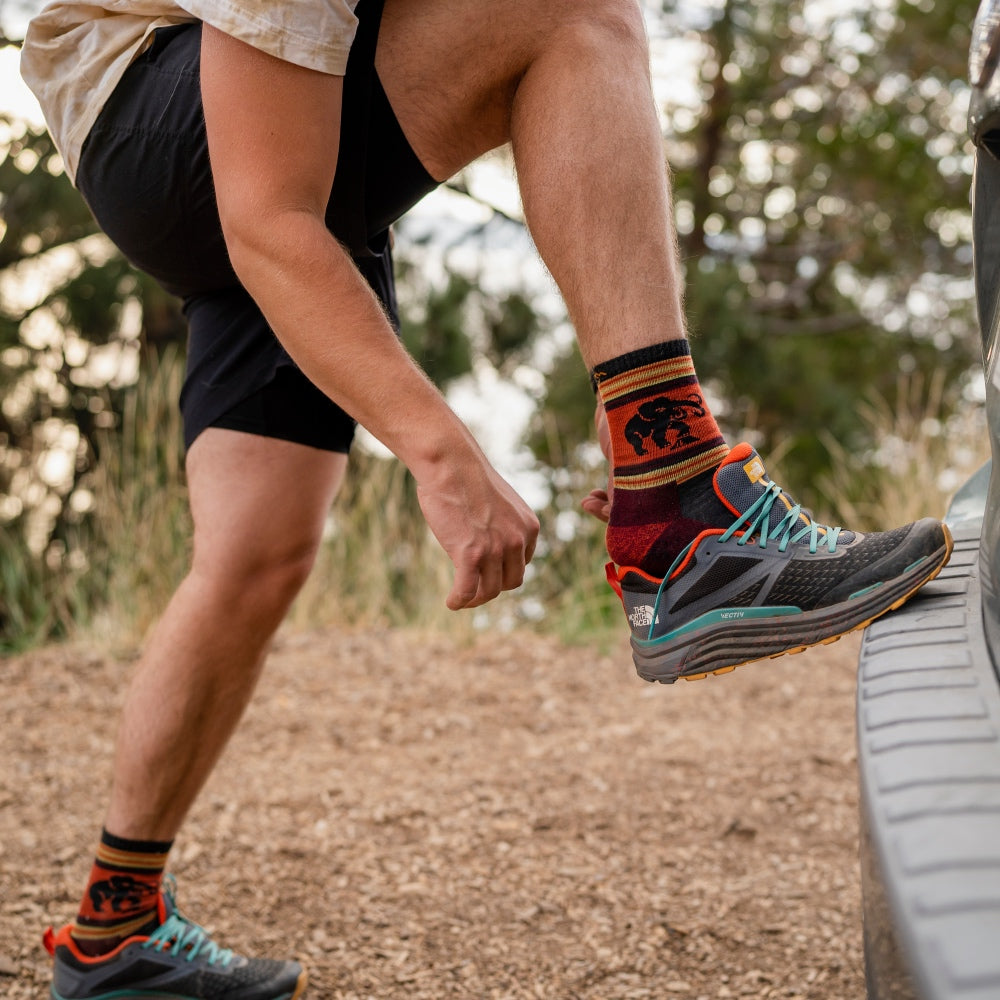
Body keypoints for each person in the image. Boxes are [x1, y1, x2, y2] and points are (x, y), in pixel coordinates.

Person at [20, 1, 953, 997]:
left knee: (253, 556)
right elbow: (266, 223)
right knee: (576, 11)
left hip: (249, 117)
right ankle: (681, 501)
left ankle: (113, 929)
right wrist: (446, 456)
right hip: (164, 113)